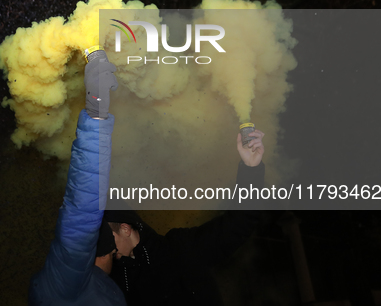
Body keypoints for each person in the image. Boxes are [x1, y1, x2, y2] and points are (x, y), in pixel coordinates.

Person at [103, 129, 267, 305]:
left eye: (107, 239)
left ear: (126, 229)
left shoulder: (179, 248)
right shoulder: (114, 281)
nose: (103, 247)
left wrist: (251, 170)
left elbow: (237, 224)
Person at [29, 49, 127, 306]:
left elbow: (82, 217)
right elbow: (81, 216)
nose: (117, 256)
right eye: (115, 251)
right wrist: (96, 111)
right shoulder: (66, 284)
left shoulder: (69, 286)